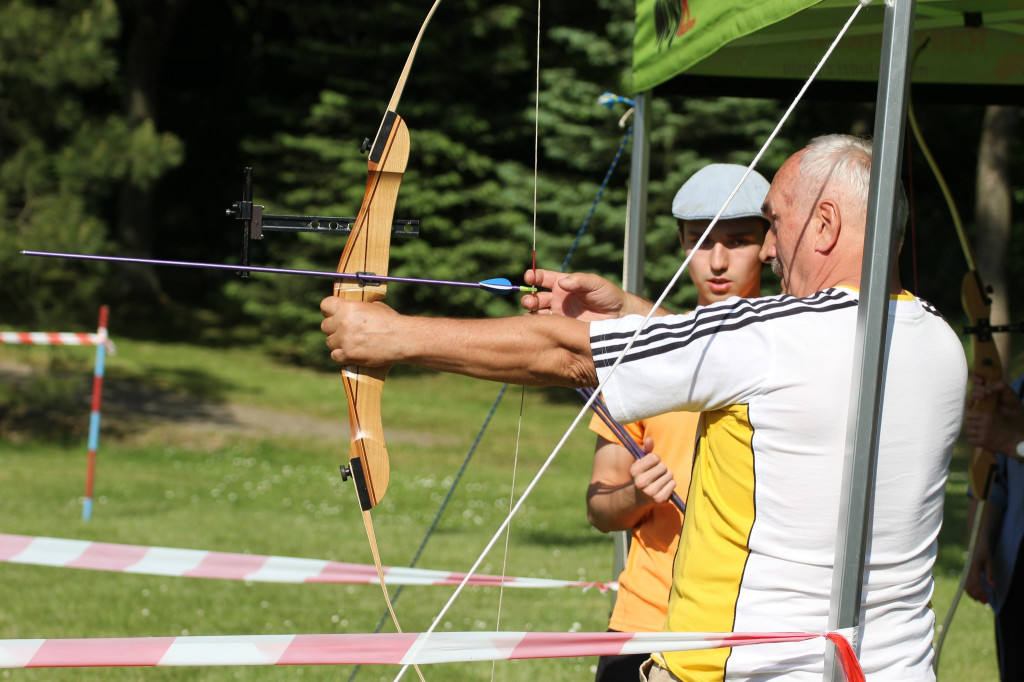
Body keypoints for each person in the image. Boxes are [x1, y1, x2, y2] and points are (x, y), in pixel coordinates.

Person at [320, 134, 968, 679]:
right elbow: (751, 360)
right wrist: (631, 312)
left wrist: (391, 337)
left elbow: (567, 356)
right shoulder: (939, 343)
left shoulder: (778, 337)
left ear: (824, 225)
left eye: (774, 222)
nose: (768, 250)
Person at [587, 164, 771, 682]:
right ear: (681, 243)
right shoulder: (646, 358)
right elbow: (601, 508)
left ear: (769, 244)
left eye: (736, 241)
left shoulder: (794, 349)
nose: (715, 261)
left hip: (754, 627)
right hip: (646, 625)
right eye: (700, 241)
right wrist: (636, 497)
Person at [963, 374, 1024, 681]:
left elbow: (1012, 446)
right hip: (1014, 582)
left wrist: (1017, 443)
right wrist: (980, 547)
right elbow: (991, 481)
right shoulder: (1018, 391)